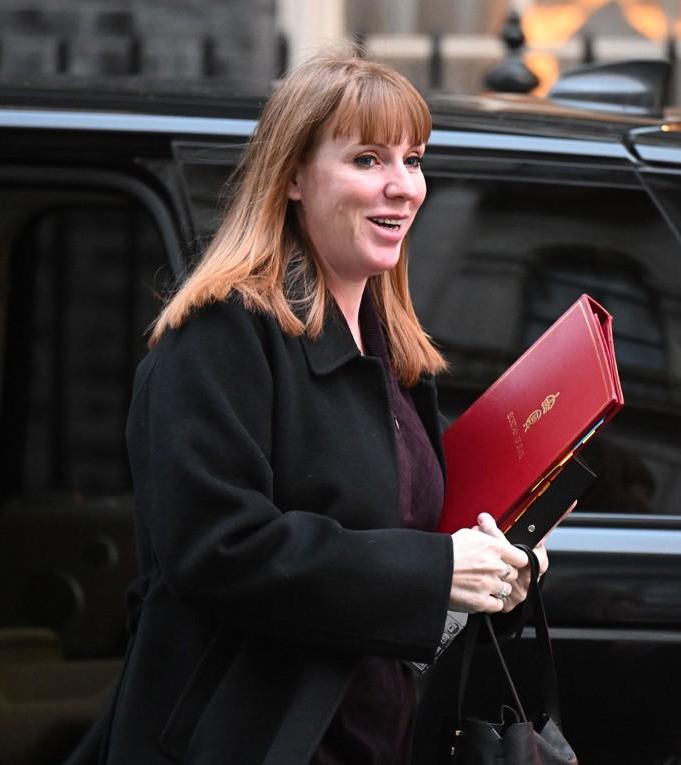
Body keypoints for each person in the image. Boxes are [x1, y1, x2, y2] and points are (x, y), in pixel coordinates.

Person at [68, 51, 548, 765]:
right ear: (291, 176)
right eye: (366, 159)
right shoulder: (221, 330)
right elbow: (217, 549)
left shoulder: (394, 354)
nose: (403, 187)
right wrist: (435, 569)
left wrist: (492, 574)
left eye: (413, 160)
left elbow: (393, 565)